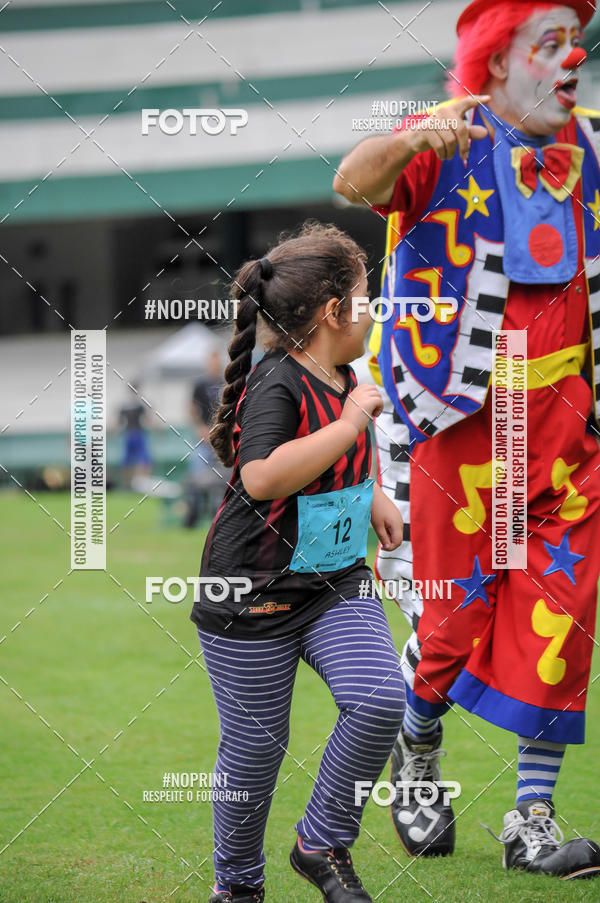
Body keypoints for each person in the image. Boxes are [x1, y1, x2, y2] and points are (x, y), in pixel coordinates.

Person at [333, 0, 600, 880]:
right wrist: (411, 143)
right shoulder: (439, 138)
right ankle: (416, 750)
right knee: (449, 627)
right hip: (456, 428)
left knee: (561, 619)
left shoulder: (592, 149)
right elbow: (352, 181)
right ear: (495, 61)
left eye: (576, 43)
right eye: (549, 44)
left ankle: (531, 817)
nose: (572, 58)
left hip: (564, 428)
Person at [190, 221, 405, 903]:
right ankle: (239, 887)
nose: (375, 310)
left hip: (335, 582)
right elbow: (261, 476)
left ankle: (320, 842)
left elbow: (334, 462)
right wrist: (348, 426)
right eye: (367, 297)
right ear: (331, 312)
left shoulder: (344, 372)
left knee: (378, 698)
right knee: (254, 756)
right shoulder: (277, 381)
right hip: (252, 596)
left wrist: (373, 494)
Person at [185, 350, 225, 527]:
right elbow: (192, 407)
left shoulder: (225, 382)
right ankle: (193, 514)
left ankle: (218, 517)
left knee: (221, 479)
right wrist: (201, 428)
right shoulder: (200, 384)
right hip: (203, 438)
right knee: (197, 476)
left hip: (221, 439)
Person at [118, 383, 151, 486]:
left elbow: (118, 422)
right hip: (136, 434)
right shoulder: (137, 405)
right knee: (141, 461)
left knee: (129, 462)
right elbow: (147, 420)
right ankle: (138, 484)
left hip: (130, 434)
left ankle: (133, 485)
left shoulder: (126, 405)